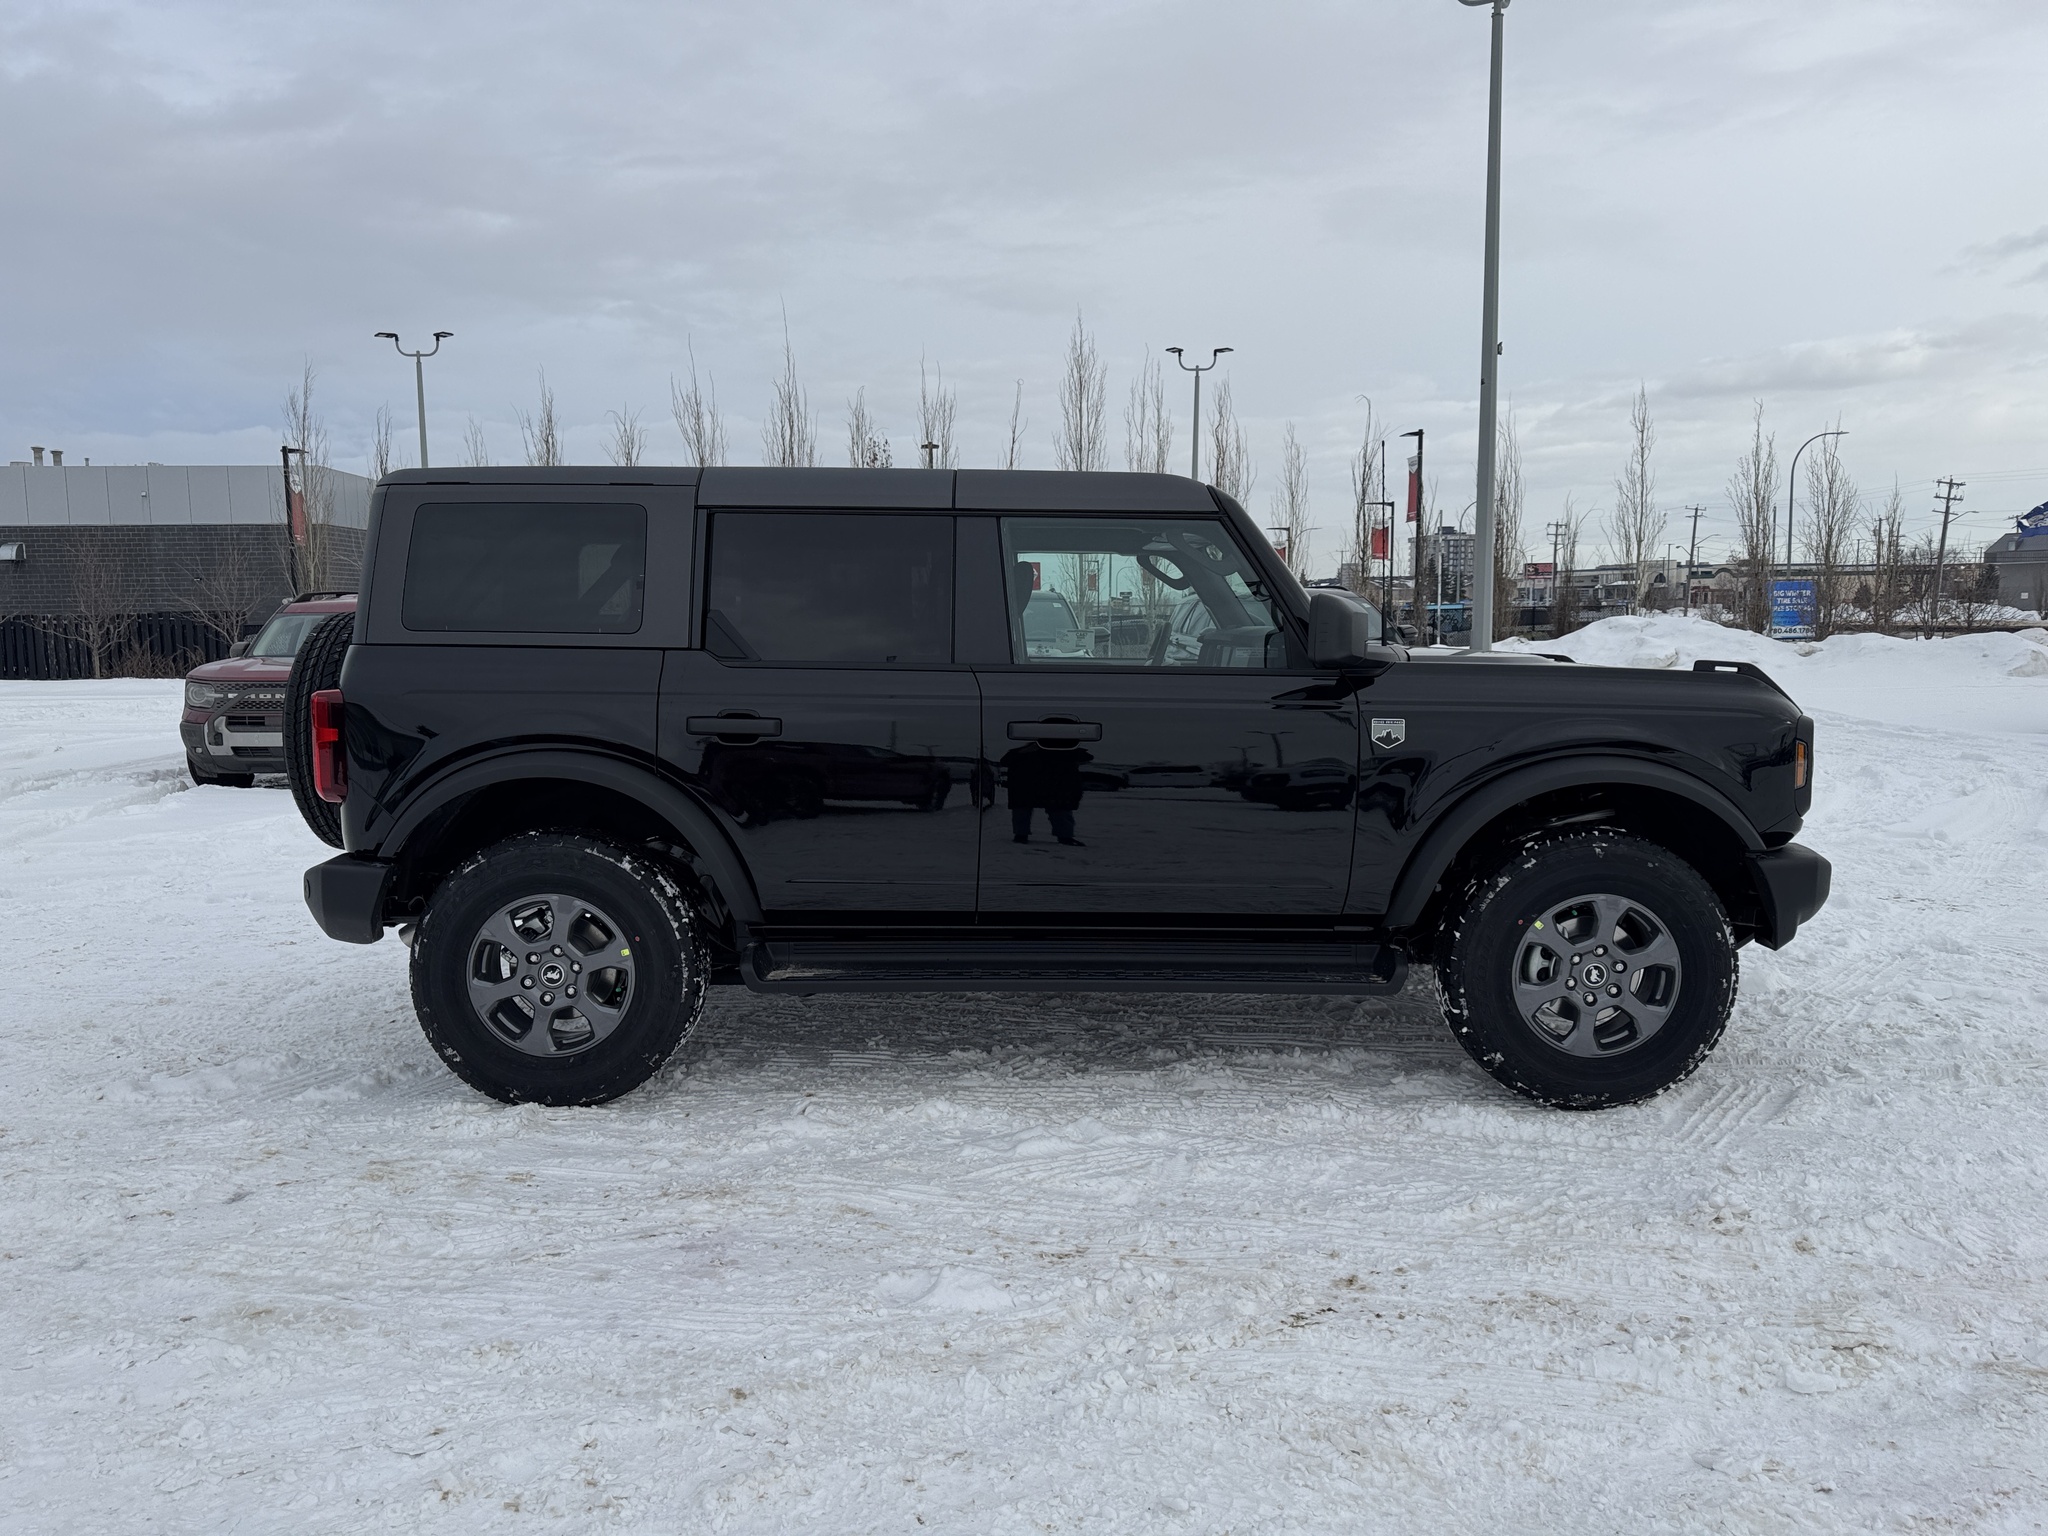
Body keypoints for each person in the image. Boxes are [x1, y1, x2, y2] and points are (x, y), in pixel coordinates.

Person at [1000, 740, 1087, 846]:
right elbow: (1084, 757)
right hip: (1043, 787)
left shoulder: (1022, 752)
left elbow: (1084, 756)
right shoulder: (1023, 752)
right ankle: (1064, 837)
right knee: (1058, 811)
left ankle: (1021, 835)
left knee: (1057, 811)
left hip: (1035, 787)